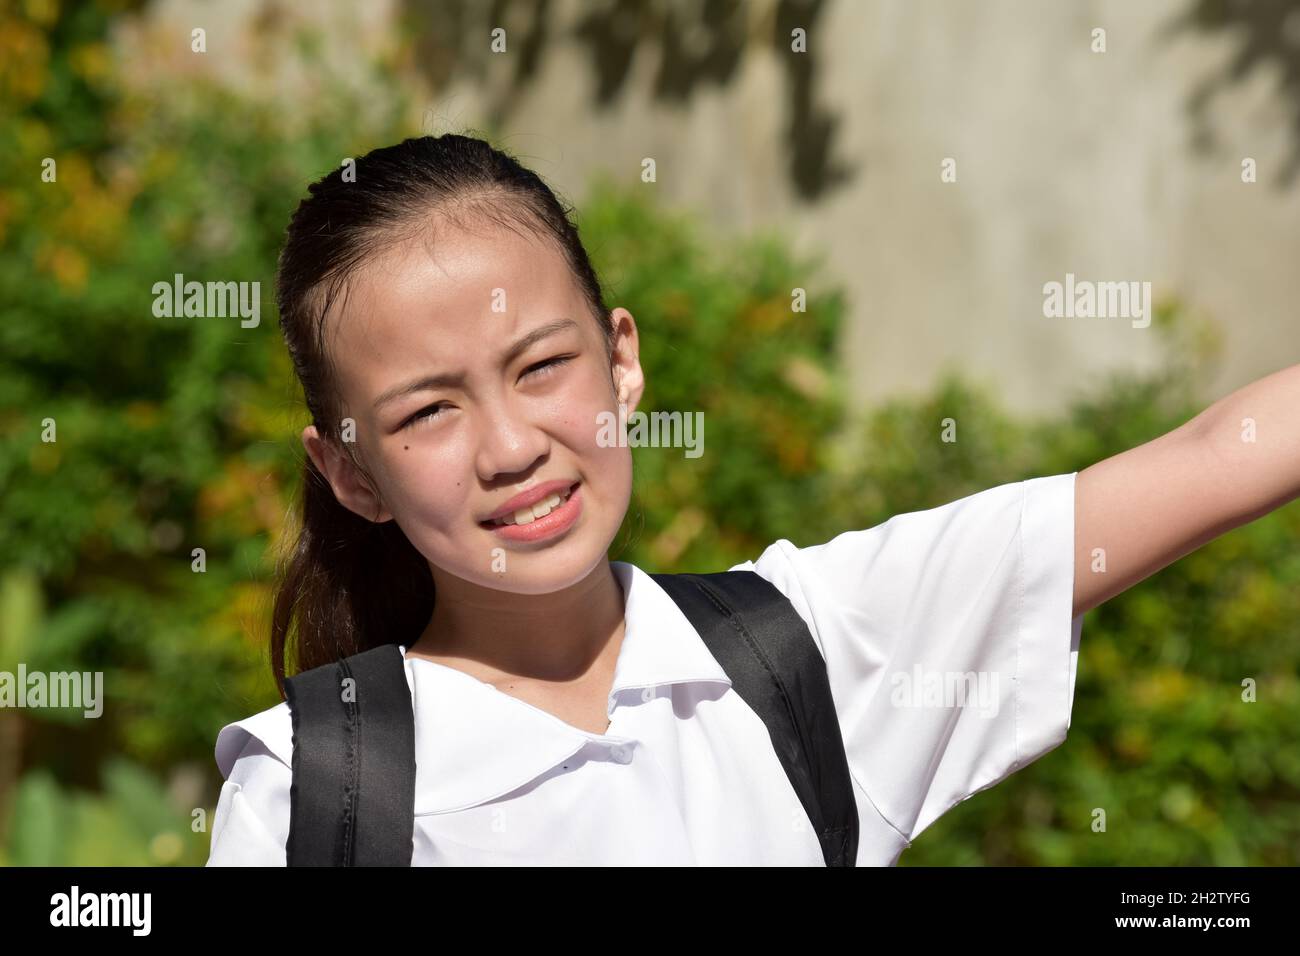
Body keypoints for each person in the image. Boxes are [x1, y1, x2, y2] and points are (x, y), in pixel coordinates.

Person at [205, 133, 1300, 866]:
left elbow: (1217, 454)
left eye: (541, 366)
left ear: (621, 360)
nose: (509, 446)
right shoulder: (311, 794)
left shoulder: (806, 650)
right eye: (427, 412)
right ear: (351, 471)